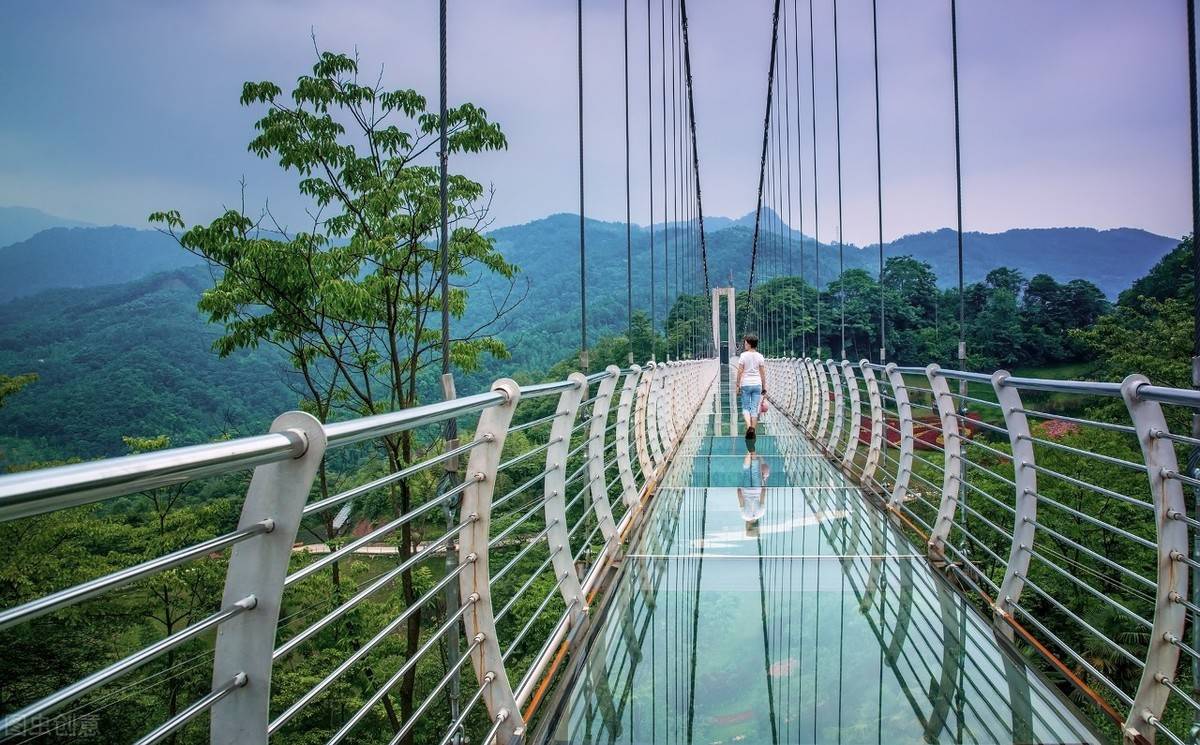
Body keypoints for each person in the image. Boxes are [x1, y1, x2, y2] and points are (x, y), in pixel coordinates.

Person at [735, 333, 767, 438]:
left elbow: (740, 371)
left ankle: (749, 427)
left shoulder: (743, 356)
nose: (744, 345)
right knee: (754, 408)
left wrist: (737, 385)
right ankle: (753, 430)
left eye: (745, 343)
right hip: (757, 384)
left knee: (745, 408)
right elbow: (762, 373)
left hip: (746, 384)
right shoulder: (760, 356)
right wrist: (764, 387)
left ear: (749, 344)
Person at [738, 437, 769, 536]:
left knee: (755, 468)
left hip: (756, 490)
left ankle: (752, 446)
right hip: (746, 490)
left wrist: (763, 486)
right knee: (746, 471)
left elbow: (763, 495)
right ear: (748, 526)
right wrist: (739, 489)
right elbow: (740, 499)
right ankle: (749, 449)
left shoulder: (761, 513)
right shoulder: (744, 516)